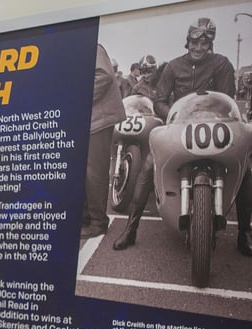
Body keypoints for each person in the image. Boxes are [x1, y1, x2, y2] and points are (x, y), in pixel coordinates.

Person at [113, 17, 252, 256]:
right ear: (187, 43)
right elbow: (159, 102)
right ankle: (131, 228)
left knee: (246, 169)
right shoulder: (173, 67)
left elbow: (227, 99)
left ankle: (244, 234)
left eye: (204, 43)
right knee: (149, 164)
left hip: (214, 126)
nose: (199, 48)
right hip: (179, 126)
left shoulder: (223, 64)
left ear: (211, 45)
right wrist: (173, 116)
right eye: (194, 43)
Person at [81, 45, 126, 238]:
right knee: (84, 172)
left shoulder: (93, 47)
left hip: (98, 119)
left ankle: (98, 222)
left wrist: (75, 97)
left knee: (94, 173)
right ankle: (85, 218)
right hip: (89, 120)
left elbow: (104, 76)